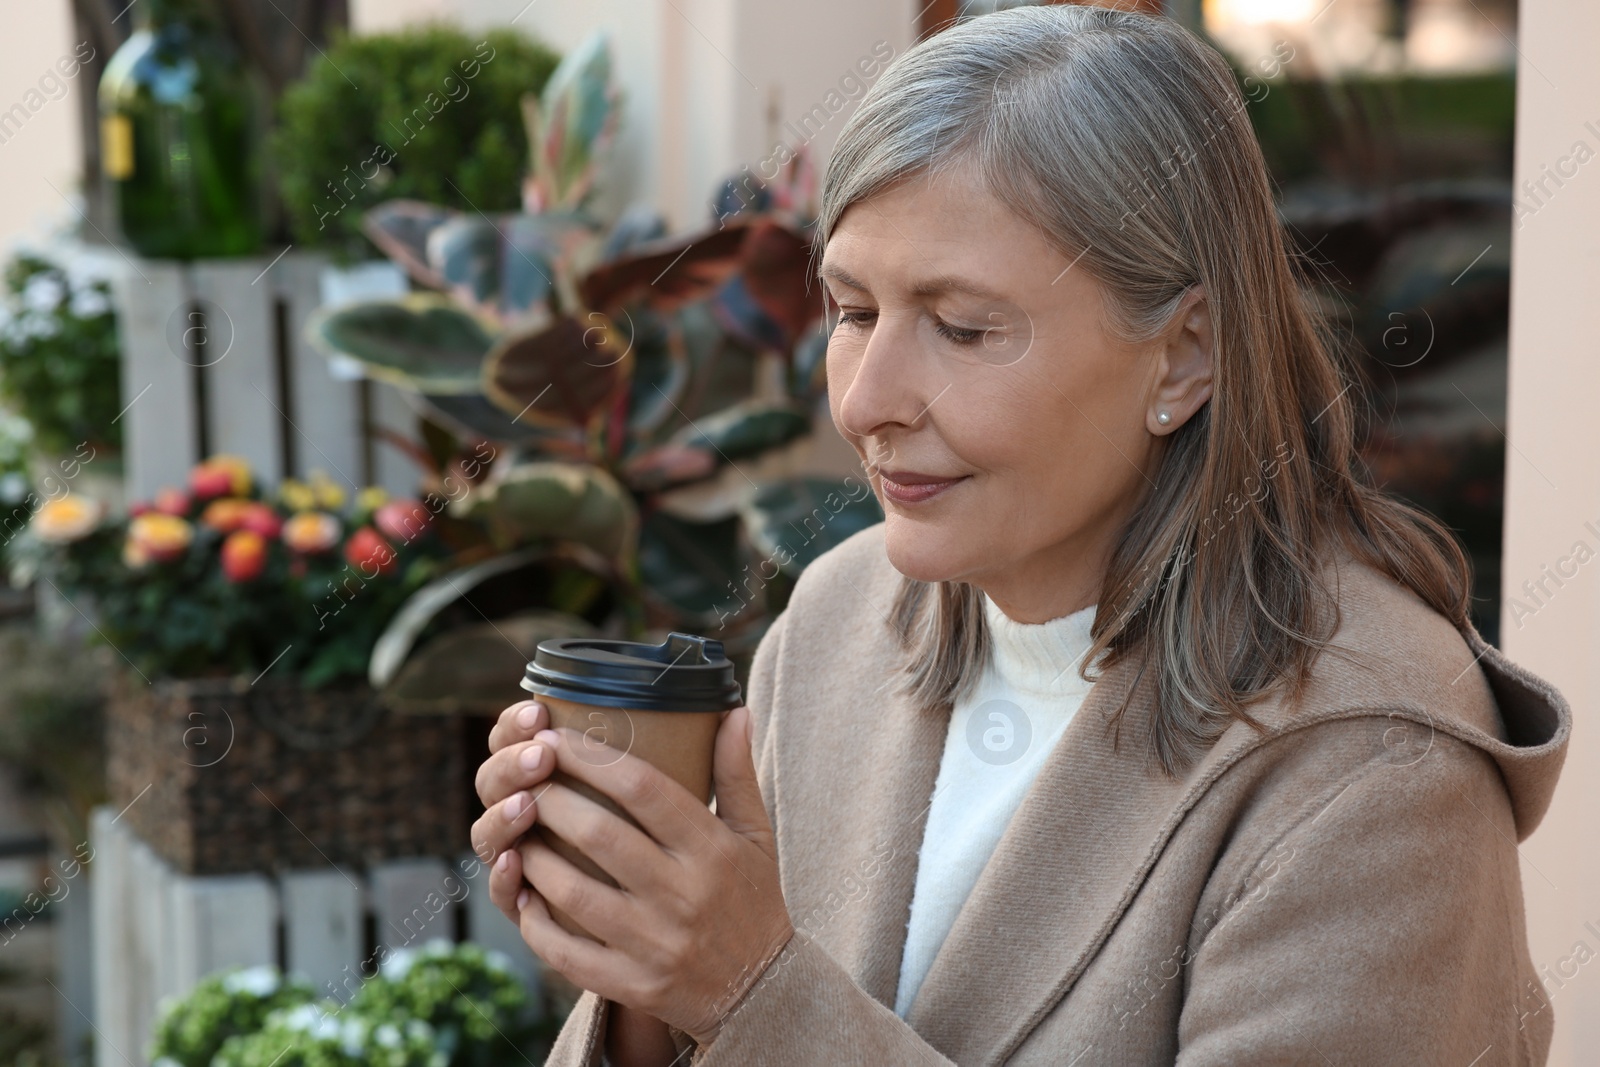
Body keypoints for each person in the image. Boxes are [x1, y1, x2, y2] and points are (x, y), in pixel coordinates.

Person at [471, 6, 1570, 1064]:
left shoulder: (1373, 764)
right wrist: (645, 982)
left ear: (1184, 354)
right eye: (853, 312)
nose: (865, 402)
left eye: (963, 326)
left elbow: (758, 995)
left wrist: (747, 989)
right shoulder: (841, 620)